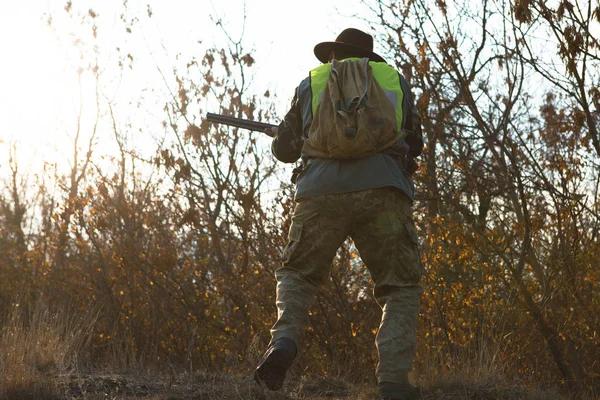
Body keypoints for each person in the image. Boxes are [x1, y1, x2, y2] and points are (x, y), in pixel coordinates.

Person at [254, 28, 424, 400]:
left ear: (334, 55)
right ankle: (393, 381)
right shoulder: (394, 80)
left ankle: (282, 344)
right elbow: (416, 143)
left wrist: (289, 138)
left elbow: (284, 150)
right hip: (383, 195)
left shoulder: (311, 83)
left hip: (320, 195)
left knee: (298, 274)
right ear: (368, 57)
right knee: (400, 285)